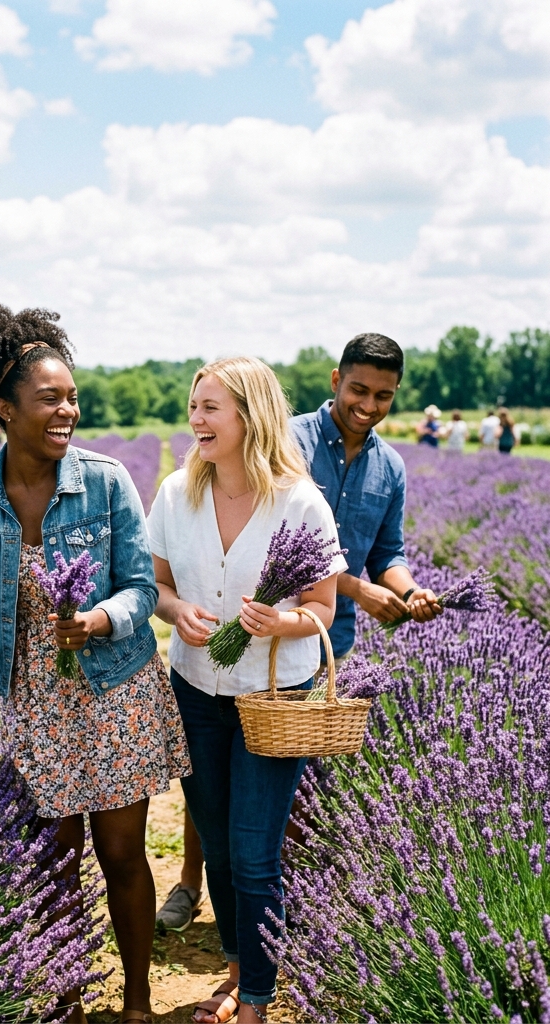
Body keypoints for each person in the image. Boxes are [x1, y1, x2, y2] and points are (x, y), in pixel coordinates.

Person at [0, 302, 189, 1024]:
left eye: (72, 395)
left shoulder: (105, 483)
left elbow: (143, 588)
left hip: (113, 690)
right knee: (51, 861)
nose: (67, 409)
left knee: (121, 853)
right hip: (35, 696)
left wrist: (99, 618)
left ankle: (136, 1001)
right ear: (3, 408)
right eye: (50, 398)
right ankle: (68, 999)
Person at [157, 335, 445, 956]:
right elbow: (293, 548)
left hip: (311, 648)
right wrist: (357, 590)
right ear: (337, 379)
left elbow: (382, 552)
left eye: (384, 396)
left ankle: (264, 931)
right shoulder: (287, 441)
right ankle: (193, 885)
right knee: (217, 797)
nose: (368, 404)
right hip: (246, 641)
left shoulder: (388, 467)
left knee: (269, 806)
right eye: (359, 389)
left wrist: (408, 589)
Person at [148, 356, 346, 1024]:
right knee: (219, 842)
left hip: (274, 698)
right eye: (193, 406)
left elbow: (322, 608)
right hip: (196, 688)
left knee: (256, 852)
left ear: (249, 417)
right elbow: (157, 585)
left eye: (210, 408)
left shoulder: (300, 501)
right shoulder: (177, 493)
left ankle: (258, 1000)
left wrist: (282, 621)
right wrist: (178, 614)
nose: (195, 420)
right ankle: (235, 974)